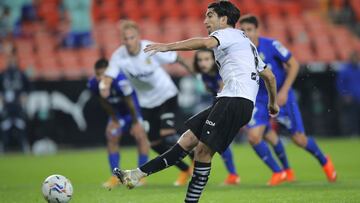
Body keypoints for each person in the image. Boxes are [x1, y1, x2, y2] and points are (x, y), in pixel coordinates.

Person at [112, 2, 278, 202]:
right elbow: (269, 76)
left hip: (234, 100)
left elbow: (206, 44)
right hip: (230, 100)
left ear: (224, 19)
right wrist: (273, 104)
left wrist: (167, 46)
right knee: (187, 140)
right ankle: (135, 176)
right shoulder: (246, 42)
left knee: (202, 151)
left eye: (210, 15)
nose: (205, 20)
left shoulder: (228, 33)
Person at [239, 14, 337, 186]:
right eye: (243, 31)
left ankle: (324, 161)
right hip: (259, 99)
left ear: (257, 30)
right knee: (254, 137)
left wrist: (284, 91)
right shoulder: (239, 51)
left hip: (281, 96)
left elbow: (294, 64)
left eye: (249, 30)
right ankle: (280, 172)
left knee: (299, 139)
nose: (247, 34)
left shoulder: (272, 45)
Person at [100, 20, 193, 186]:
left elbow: (176, 57)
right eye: (125, 39)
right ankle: (185, 170)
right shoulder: (119, 56)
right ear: (122, 40)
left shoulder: (149, 48)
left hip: (167, 95)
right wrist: (104, 86)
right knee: (155, 143)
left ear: (138, 37)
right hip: (147, 103)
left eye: (131, 37)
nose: (128, 42)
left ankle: (193, 155)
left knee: (167, 133)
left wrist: (193, 70)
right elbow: (108, 76)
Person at [87, 58, 150, 189]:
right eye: (98, 75)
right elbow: (103, 102)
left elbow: (130, 103)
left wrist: (135, 122)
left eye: (104, 75)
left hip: (132, 112)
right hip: (118, 115)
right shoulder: (93, 84)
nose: (100, 78)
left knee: (141, 137)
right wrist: (114, 120)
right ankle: (116, 176)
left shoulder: (121, 81)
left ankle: (141, 176)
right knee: (111, 137)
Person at [193, 48, 240, 185]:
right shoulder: (204, 75)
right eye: (200, 60)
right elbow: (213, 92)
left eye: (207, 59)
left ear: (214, 60)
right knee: (218, 143)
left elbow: (225, 94)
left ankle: (233, 175)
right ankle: (233, 175)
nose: (203, 63)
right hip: (221, 107)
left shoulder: (222, 73)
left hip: (233, 107)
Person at [0, 48, 30, 154]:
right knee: (4, 126)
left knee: (21, 125)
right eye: (9, 59)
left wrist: (25, 96)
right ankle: (3, 146)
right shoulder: (3, 74)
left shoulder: (21, 74)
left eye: (13, 58)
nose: (11, 61)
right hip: (7, 105)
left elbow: (28, 87)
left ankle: (24, 146)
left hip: (18, 105)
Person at [336, 51, 360, 136]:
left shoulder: (358, 70)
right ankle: (352, 133)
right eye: (354, 58)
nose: (356, 60)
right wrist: (345, 95)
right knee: (351, 117)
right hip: (351, 99)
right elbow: (340, 84)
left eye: (357, 58)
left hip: (358, 98)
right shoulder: (345, 70)